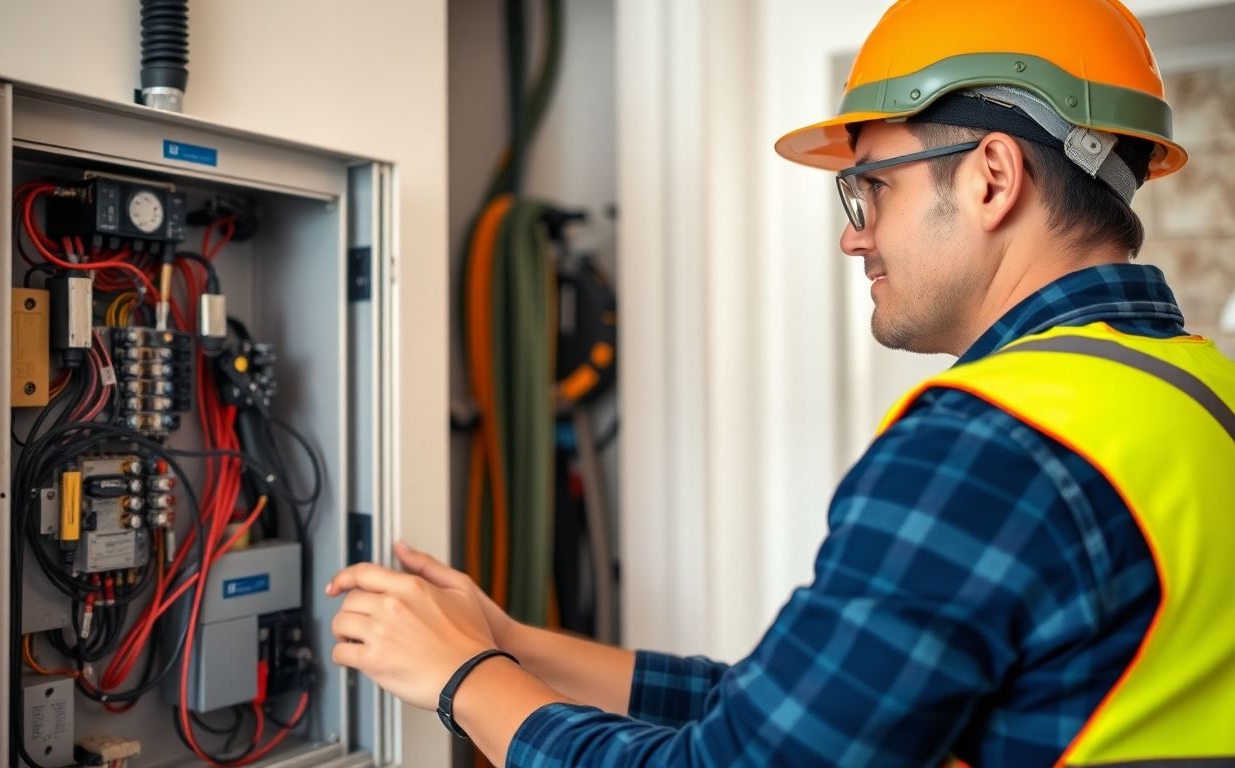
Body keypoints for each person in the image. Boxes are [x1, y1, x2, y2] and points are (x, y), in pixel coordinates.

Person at [325, 0, 1235, 764]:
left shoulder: (993, 445)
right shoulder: (1197, 393)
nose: (854, 234)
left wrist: (459, 681)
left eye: (870, 188)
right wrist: (513, 646)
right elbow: (802, 706)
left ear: (993, 177)